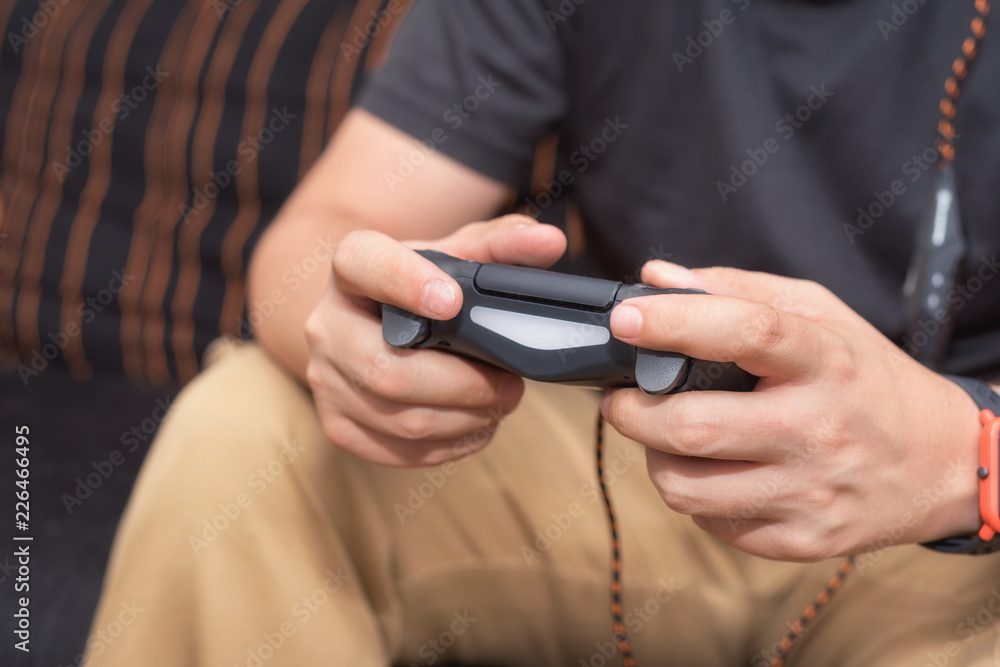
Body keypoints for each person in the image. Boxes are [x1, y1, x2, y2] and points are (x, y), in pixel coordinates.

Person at [87, 0, 1000, 665]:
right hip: (641, 468)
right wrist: (361, 334)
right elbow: (331, 229)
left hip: (953, 521)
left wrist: (965, 457)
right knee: (244, 429)